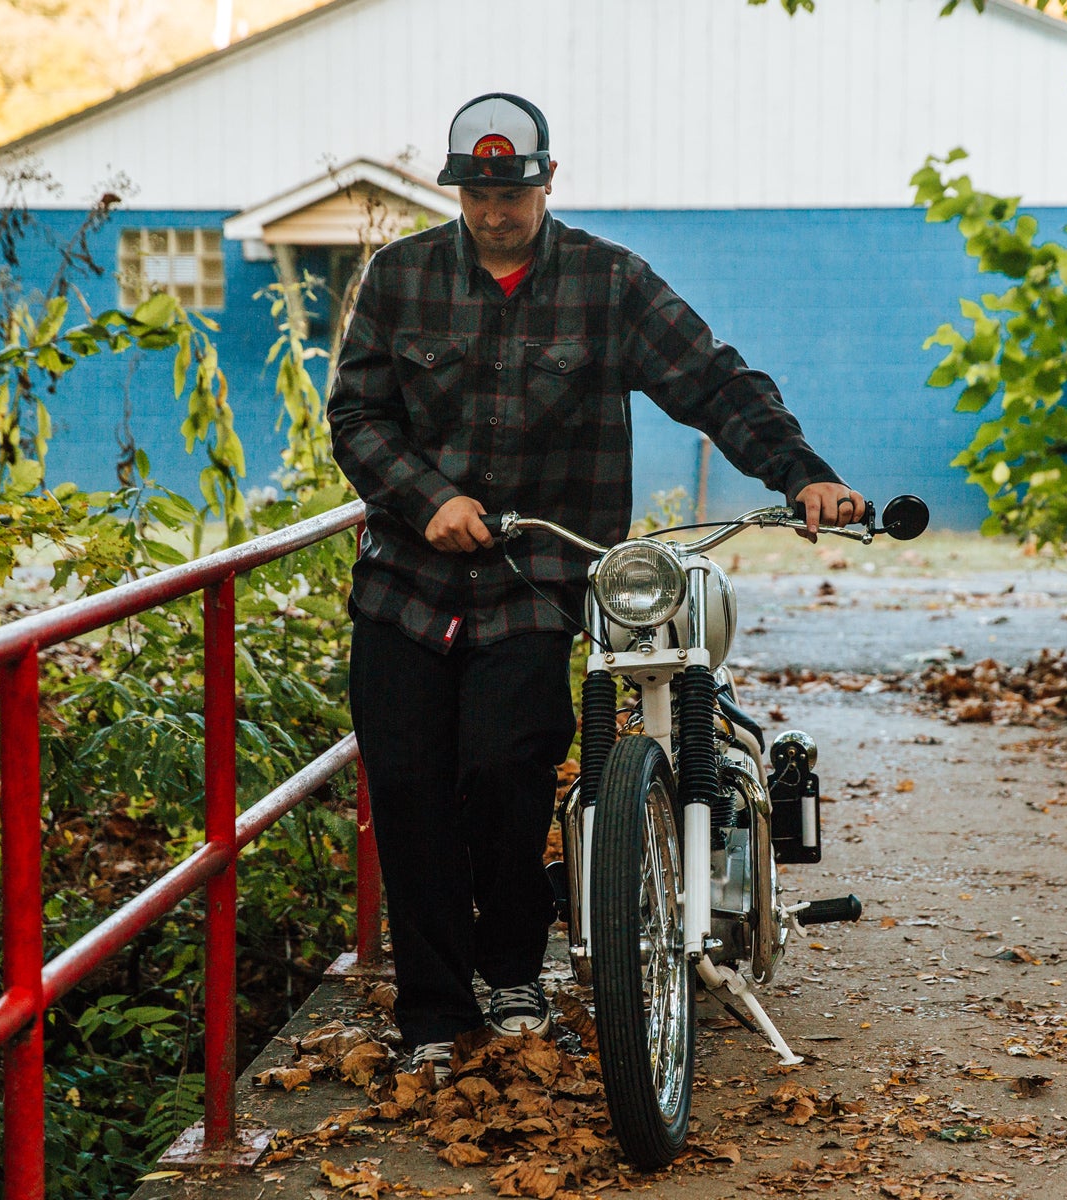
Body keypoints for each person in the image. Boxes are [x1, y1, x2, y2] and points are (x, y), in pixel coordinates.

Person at [328, 92, 864, 1074]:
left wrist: (803, 473)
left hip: (534, 583)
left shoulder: (608, 284)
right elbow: (357, 417)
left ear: (547, 180)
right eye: (478, 192)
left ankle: (514, 970)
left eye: (513, 189)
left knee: (504, 774)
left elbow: (714, 379)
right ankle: (438, 1017)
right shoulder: (400, 279)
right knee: (407, 793)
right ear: (457, 190)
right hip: (403, 584)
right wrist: (426, 497)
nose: (495, 210)